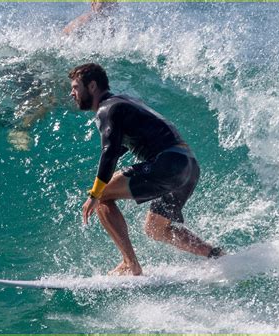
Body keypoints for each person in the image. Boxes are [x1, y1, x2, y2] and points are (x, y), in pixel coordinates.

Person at [69, 63, 224, 276]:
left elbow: (110, 151)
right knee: (155, 228)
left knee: (103, 196)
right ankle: (215, 255)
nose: (72, 93)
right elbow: (127, 143)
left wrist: (94, 193)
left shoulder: (108, 109)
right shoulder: (126, 102)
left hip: (167, 162)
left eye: (76, 87)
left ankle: (130, 264)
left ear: (92, 86)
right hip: (188, 167)